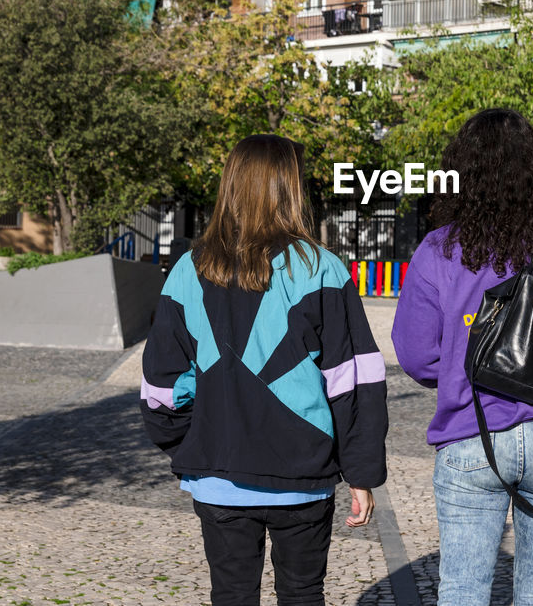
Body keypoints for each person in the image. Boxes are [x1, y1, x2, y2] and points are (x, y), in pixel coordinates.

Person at [140, 134, 388, 606]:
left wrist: (196, 442)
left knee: (231, 595)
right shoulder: (323, 269)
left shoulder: (187, 271)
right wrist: (361, 474)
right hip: (303, 475)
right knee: (302, 594)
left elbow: (161, 386)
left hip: (219, 476)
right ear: (290, 189)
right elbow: (354, 383)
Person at [392, 108, 533, 606]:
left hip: (468, 433)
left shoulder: (437, 249)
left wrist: (463, 367)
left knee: (463, 591)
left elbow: (414, 354)